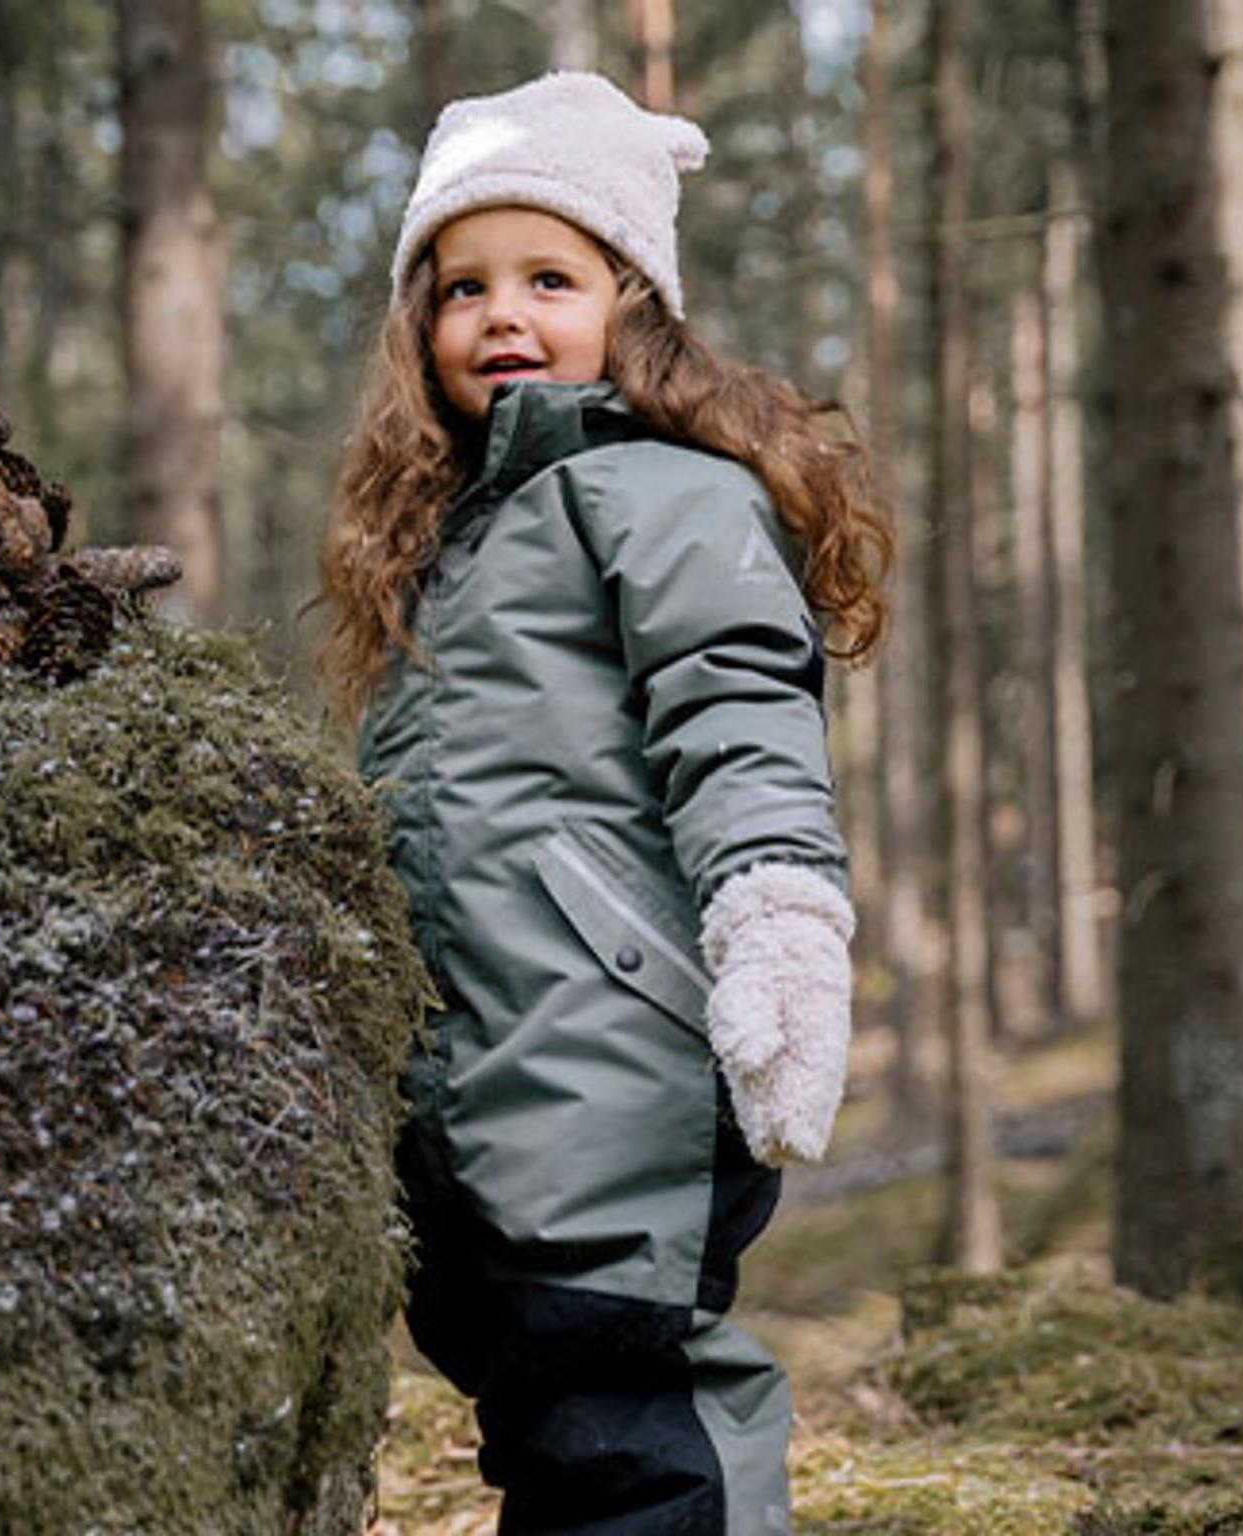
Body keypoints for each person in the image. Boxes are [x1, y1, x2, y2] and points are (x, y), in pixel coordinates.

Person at [318, 70, 890, 1536]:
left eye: (550, 277)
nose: (501, 314)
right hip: (486, 1077)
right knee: (545, 1421)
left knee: (634, 1411)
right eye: (462, 288)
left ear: (634, 300)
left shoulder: (665, 496)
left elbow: (740, 714)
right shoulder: (450, 541)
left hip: (614, 1064)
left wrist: (778, 917)